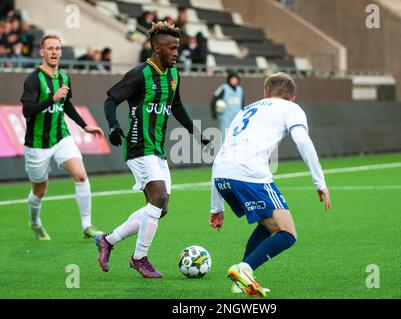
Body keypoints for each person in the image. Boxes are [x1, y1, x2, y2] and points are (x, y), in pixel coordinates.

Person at [95, 22, 210, 278]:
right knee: (158, 199)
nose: (176, 53)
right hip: (138, 145)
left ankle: (108, 240)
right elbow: (111, 100)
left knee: (161, 207)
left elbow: (176, 105)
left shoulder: (173, 75)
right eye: (172, 48)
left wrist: (195, 133)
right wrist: (113, 125)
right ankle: (139, 258)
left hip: (158, 149)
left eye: (178, 48)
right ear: (157, 49)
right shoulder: (139, 74)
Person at [209, 72, 331, 297]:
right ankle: (243, 269)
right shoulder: (291, 109)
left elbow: (222, 155)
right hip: (250, 173)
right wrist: (319, 182)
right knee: (288, 233)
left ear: (265, 93)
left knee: (267, 225)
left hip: (221, 174)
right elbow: (303, 141)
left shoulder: (245, 110)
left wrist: (216, 207)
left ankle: (241, 282)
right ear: (293, 97)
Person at [20, 35, 104, 240]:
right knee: (39, 191)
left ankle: (87, 226)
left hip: (61, 138)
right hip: (37, 144)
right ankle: (35, 222)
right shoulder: (33, 79)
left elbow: (66, 104)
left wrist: (85, 126)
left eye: (57, 48)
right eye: (50, 48)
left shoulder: (64, 78)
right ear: (41, 52)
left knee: (81, 176)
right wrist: (52, 98)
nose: (54, 52)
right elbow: (27, 111)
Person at [210, 71, 244, 140]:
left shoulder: (240, 90)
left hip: (237, 117)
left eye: (236, 79)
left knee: (236, 137)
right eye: (233, 79)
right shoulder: (223, 88)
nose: (234, 81)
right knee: (225, 136)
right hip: (225, 117)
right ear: (229, 79)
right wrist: (214, 113)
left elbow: (242, 103)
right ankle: (224, 150)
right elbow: (214, 99)